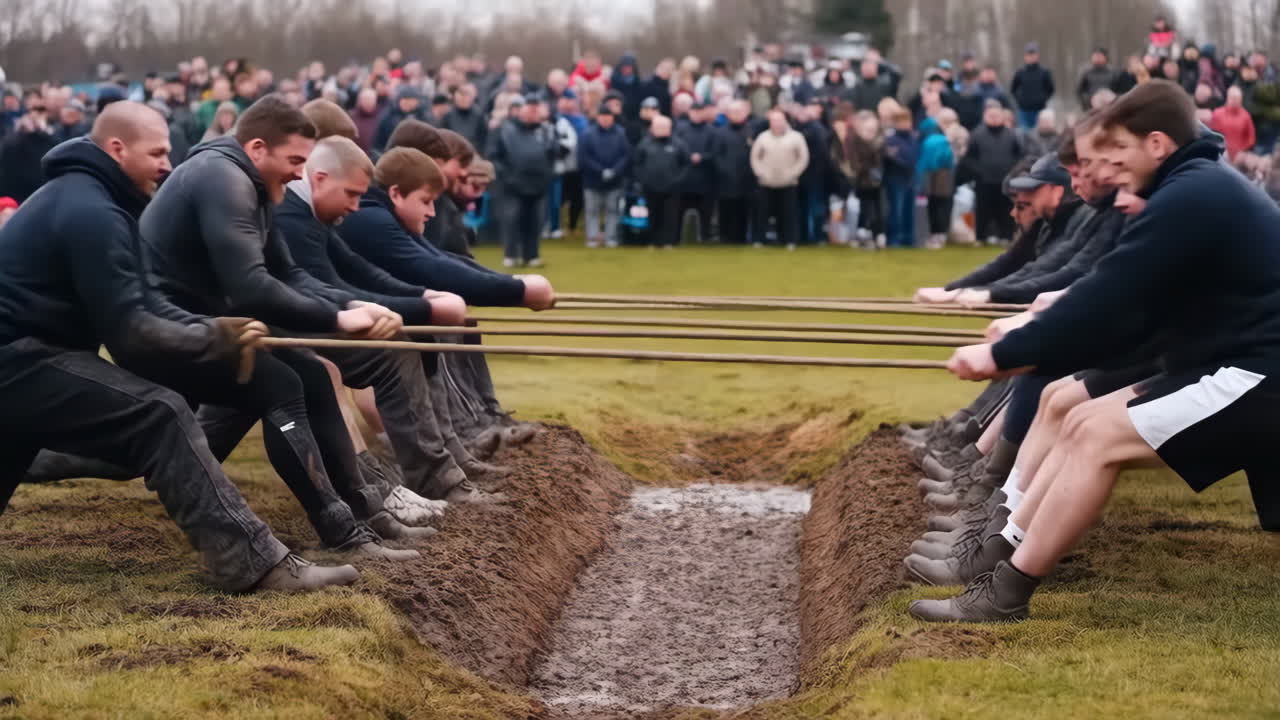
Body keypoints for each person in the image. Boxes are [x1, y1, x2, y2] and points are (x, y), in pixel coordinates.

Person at [911, 80, 1280, 623]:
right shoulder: (1192, 186)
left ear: (1157, 145)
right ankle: (996, 549)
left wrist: (1006, 353)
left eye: (1117, 153)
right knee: (1080, 417)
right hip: (1227, 363)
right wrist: (1035, 340)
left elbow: (1111, 296)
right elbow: (1126, 303)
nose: (1108, 169)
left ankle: (1004, 593)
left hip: (1258, 375)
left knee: (1097, 437)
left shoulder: (1194, 194)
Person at [0, 102, 359, 592]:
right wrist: (213, 337)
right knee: (161, 413)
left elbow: (145, 302)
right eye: (158, 152)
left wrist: (212, 326)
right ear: (117, 149)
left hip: (28, 355)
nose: (169, 163)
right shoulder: (92, 211)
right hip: (20, 358)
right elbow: (131, 331)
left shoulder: (101, 202)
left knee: (125, 435)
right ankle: (252, 563)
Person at [138, 95, 419, 557]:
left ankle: (364, 512)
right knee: (282, 384)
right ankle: (343, 533)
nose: (299, 173)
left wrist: (354, 303)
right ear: (256, 148)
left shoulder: (255, 183)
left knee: (307, 376)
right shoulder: (223, 179)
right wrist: (338, 318)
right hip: (167, 331)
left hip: (212, 324)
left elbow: (290, 276)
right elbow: (250, 287)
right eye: (294, 161)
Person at [488, 93, 558, 267]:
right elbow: (493, 155)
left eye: (536, 110)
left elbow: (554, 154)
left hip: (538, 185)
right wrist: (506, 176)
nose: (533, 113)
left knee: (535, 221)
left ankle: (532, 255)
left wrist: (547, 174)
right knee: (512, 219)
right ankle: (511, 255)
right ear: (521, 111)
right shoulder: (504, 130)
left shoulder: (546, 131)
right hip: (512, 185)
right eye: (529, 109)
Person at [965, 99, 1023, 244]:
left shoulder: (1011, 135)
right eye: (991, 116)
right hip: (983, 180)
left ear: (1003, 117)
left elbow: (1019, 155)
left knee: (1005, 210)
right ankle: (980, 237)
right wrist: (979, 171)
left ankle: (1006, 236)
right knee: (983, 210)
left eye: (997, 116)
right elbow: (969, 159)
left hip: (1006, 180)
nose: (994, 118)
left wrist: (1013, 171)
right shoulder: (976, 135)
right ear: (985, 116)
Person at [750, 109, 809, 249]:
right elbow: (755, 157)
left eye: (779, 120)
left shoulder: (796, 137)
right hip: (766, 182)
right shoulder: (762, 137)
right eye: (774, 120)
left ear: (785, 121)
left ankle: (789, 240)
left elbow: (803, 158)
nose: (777, 123)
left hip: (788, 182)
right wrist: (760, 173)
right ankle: (760, 239)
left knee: (788, 213)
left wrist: (794, 173)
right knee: (762, 212)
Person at [578, 103, 631, 249]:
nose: (606, 119)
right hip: (592, 180)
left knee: (612, 210)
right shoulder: (587, 133)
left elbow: (625, 155)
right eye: (603, 116)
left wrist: (614, 170)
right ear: (598, 117)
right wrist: (600, 171)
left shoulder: (620, 133)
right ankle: (592, 238)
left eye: (609, 116)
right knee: (592, 210)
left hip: (614, 180)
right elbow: (584, 157)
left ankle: (611, 237)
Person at [633, 115, 689, 248]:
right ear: (652, 128)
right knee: (653, 215)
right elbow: (637, 163)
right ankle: (653, 241)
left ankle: (669, 241)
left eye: (664, 127)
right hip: (650, 187)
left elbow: (686, 164)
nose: (661, 129)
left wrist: (678, 180)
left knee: (670, 216)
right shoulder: (644, 144)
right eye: (658, 127)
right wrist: (643, 179)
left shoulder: (678, 144)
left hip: (672, 188)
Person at [711, 100, 758, 246]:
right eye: (733, 112)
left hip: (747, 180)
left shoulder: (751, 131)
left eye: (739, 112)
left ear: (745, 113)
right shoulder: (720, 132)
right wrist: (725, 171)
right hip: (726, 180)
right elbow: (716, 155)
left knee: (743, 211)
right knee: (726, 209)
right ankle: (725, 237)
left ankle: (741, 238)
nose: (736, 115)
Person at [674, 101, 717, 243]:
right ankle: (676, 238)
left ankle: (705, 237)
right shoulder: (681, 129)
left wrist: (702, 157)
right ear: (690, 113)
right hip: (684, 179)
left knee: (706, 212)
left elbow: (715, 152)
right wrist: (688, 156)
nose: (697, 115)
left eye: (700, 112)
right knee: (679, 211)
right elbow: (676, 150)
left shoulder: (712, 131)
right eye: (694, 112)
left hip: (705, 179)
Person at [917, 116, 955, 250]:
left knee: (933, 207)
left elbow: (923, 163)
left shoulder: (927, 141)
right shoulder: (944, 139)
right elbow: (950, 160)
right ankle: (942, 233)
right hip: (945, 177)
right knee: (943, 206)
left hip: (930, 178)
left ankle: (934, 235)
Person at [882, 109, 918, 248]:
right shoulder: (890, 140)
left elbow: (913, 156)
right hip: (895, 179)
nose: (905, 124)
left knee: (909, 210)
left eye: (907, 120)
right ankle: (894, 239)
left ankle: (908, 238)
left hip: (910, 178)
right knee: (896, 210)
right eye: (901, 121)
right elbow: (894, 159)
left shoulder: (913, 138)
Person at [1011, 43, 1055, 129]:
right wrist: (1020, 100)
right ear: (1025, 56)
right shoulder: (1020, 72)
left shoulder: (1044, 72)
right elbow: (1013, 89)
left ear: (1037, 56)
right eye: (1029, 54)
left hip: (1040, 109)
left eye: (1033, 54)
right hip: (1024, 110)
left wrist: (1043, 99)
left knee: (1039, 133)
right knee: (1024, 134)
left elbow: (1051, 89)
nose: (1031, 57)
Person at [374, 86, 426, 152]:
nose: (408, 104)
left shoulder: (420, 116)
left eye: (412, 101)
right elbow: (379, 142)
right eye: (406, 100)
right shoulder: (389, 116)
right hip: (390, 153)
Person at [1211, 86, 1256, 161]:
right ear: (1228, 98)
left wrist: (1242, 151)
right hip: (1221, 154)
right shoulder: (1217, 114)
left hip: (1239, 156)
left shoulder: (1245, 115)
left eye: (1238, 99)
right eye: (1233, 98)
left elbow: (1251, 138)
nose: (1235, 101)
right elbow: (1213, 135)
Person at [440, 83, 487, 156]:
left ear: (473, 96)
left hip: (473, 157)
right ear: (455, 95)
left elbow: (483, 141)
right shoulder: (447, 115)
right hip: (451, 156)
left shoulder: (479, 116)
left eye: (467, 94)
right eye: (461, 93)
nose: (463, 97)